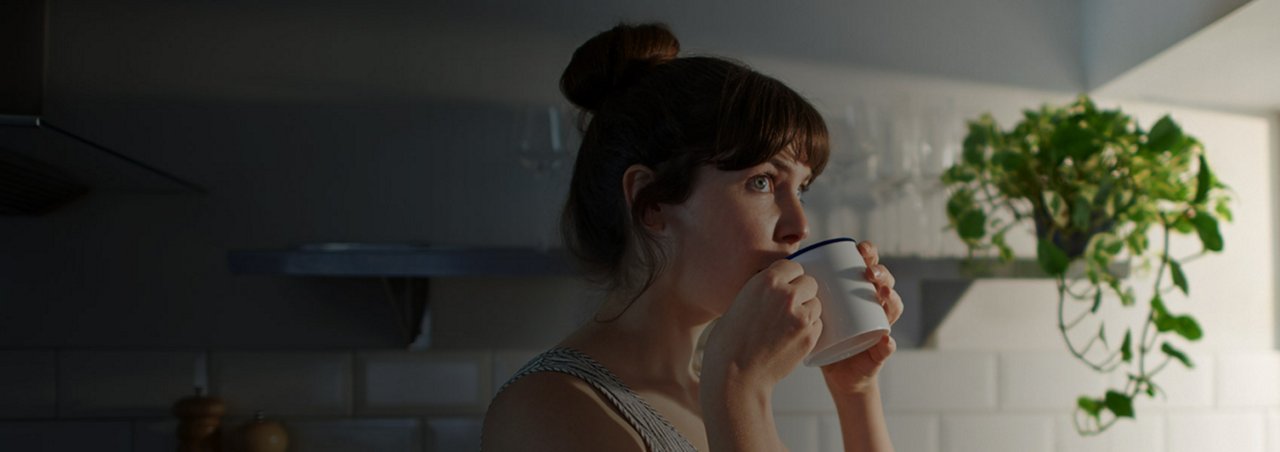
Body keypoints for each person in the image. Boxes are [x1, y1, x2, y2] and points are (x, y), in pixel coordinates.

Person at [482, 22, 904, 452]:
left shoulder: (708, 384)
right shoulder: (546, 411)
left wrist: (855, 391)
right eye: (761, 182)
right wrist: (741, 389)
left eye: (801, 188)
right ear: (652, 203)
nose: (800, 224)